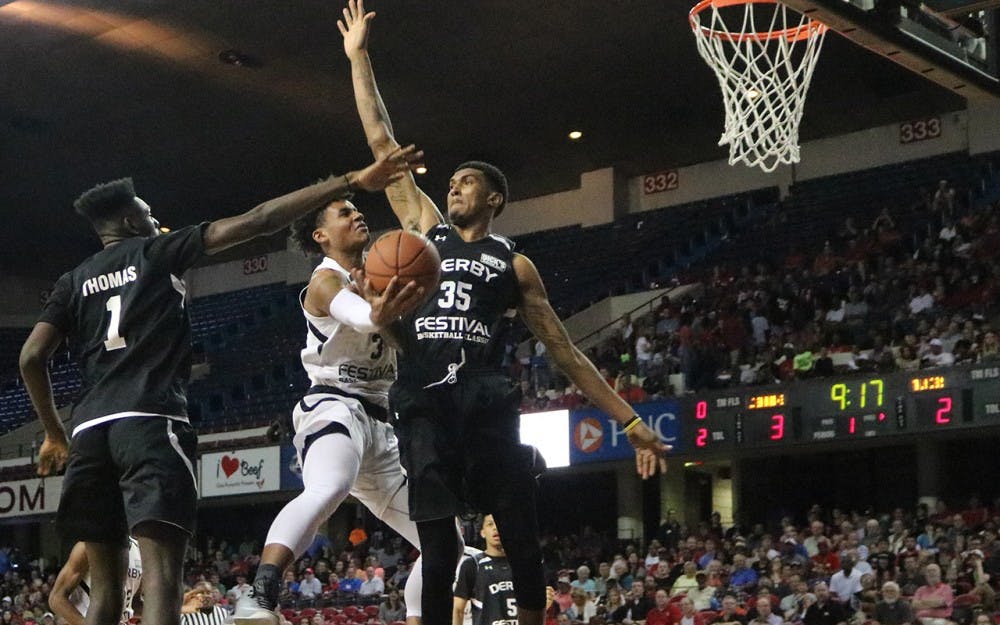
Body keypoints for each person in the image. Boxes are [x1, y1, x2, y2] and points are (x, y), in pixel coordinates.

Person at [338, 4, 669, 625]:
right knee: (439, 548)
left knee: (519, 538)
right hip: (424, 400)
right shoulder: (424, 233)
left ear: (492, 199)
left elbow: (565, 351)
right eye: (453, 182)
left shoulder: (513, 265)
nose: (454, 187)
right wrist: (359, 57)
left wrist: (629, 420)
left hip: (486, 402)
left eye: (465, 182)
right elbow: (383, 143)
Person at [18, 150, 420, 625]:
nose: (158, 221)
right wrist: (350, 179)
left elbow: (30, 357)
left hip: (88, 433)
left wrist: (53, 433)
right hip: (149, 423)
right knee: (163, 586)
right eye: (149, 214)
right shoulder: (157, 251)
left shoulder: (71, 281)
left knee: (104, 597)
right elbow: (260, 219)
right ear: (130, 221)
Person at [234, 194, 429, 625]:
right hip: (332, 404)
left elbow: (404, 346)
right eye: (344, 212)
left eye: (357, 209)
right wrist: (377, 310)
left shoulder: (379, 275)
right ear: (321, 235)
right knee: (329, 487)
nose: (357, 213)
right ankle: (259, 596)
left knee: (444, 539)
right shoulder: (326, 280)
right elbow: (359, 317)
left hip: (379, 424)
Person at [50, 539, 143, 625]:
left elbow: (134, 602)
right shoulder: (88, 545)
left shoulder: (139, 549)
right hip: (87, 619)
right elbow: (56, 598)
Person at [453, 515, 516, 625]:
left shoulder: (522, 565)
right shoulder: (473, 564)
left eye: (499, 523)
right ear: (482, 532)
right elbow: (457, 610)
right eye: (490, 524)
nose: (495, 528)